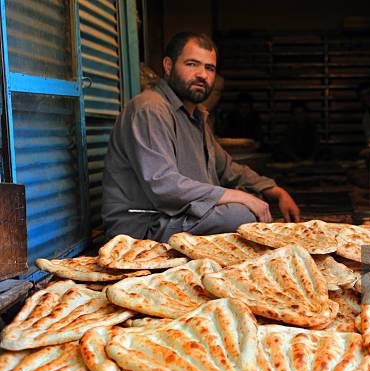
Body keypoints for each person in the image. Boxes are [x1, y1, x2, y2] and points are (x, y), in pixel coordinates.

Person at [101, 32, 300, 242]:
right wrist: (239, 197)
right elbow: (164, 185)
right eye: (192, 64)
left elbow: (228, 169)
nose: (202, 75)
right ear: (168, 66)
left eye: (209, 68)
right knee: (243, 213)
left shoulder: (196, 115)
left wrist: (276, 191)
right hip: (142, 226)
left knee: (255, 201)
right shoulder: (150, 108)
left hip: (174, 216)